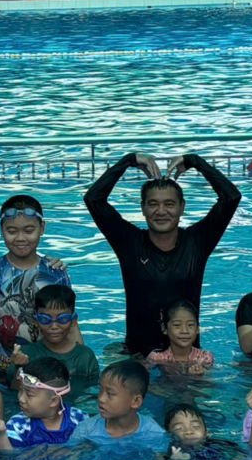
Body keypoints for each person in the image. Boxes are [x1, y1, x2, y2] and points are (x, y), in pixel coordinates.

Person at [85, 149, 241, 356]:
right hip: (138, 355)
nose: (161, 211)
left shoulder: (197, 242)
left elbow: (231, 197)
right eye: (153, 204)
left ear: (182, 207)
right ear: (142, 208)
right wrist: (128, 160)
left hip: (186, 357)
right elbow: (94, 199)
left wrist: (195, 161)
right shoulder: (129, 242)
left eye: (169, 204)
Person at [0, 193, 73, 366]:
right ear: (1, 230)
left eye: (29, 230)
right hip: (0, 369)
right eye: (12, 231)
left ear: (42, 228)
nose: (20, 238)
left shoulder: (56, 273)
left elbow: (69, 327)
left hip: (46, 370)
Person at [3, 284, 100, 390]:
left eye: (62, 319)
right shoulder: (25, 354)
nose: (54, 326)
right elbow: (15, 393)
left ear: (73, 321)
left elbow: (93, 393)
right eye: (45, 319)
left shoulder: (85, 357)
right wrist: (19, 368)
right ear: (36, 321)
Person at [73, 359, 169, 460]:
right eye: (100, 390)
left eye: (110, 394)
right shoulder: (86, 430)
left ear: (136, 401)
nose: (101, 398)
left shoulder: (153, 433)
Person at [0, 357, 87, 450]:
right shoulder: (18, 425)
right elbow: (11, 456)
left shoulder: (80, 419)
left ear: (53, 401)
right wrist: (0, 436)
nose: (21, 398)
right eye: (20, 390)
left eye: (29, 394)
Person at [147, 299, 215, 375]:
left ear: (197, 328)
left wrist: (199, 377)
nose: (185, 331)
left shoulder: (204, 358)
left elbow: (210, 380)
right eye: (177, 325)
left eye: (190, 325)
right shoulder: (157, 358)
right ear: (164, 328)